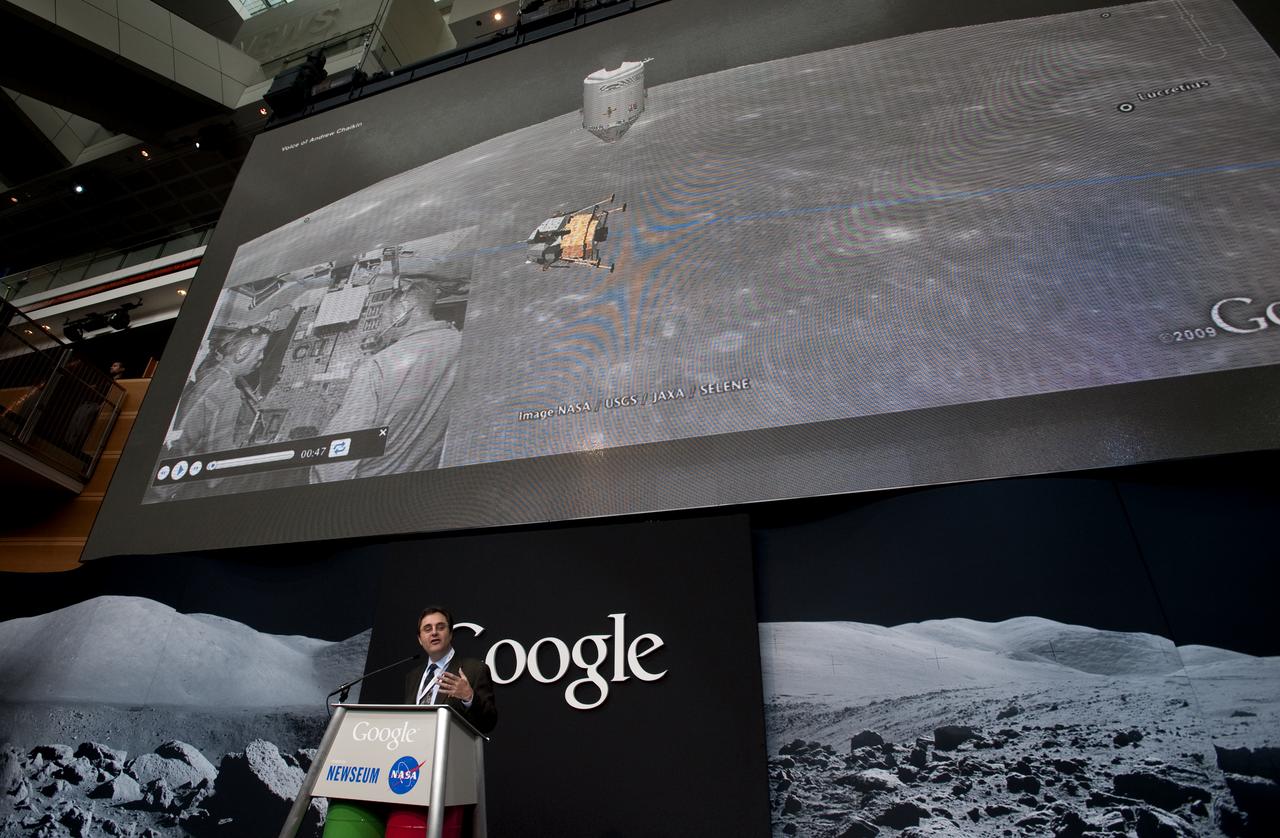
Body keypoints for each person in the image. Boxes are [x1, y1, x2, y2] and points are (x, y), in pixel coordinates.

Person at [311, 277, 460, 483]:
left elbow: (335, 462)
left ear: (401, 311)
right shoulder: (461, 343)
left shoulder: (378, 367)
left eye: (382, 316)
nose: (380, 326)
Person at [403, 606, 497, 734]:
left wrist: (469, 697)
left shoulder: (475, 670)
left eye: (440, 627)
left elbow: (488, 723)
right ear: (420, 639)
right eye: (427, 629)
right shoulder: (412, 676)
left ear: (451, 633)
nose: (434, 632)